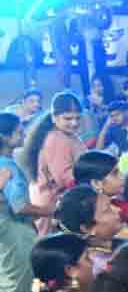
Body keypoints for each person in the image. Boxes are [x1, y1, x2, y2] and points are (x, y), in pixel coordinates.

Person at [25, 92, 86, 234]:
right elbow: (65, 178)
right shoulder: (57, 138)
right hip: (52, 205)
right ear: (54, 117)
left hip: (51, 201)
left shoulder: (65, 134)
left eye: (78, 118)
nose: (74, 123)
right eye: (68, 118)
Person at [0, 114, 37, 292]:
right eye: (18, 130)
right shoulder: (6, 167)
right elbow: (20, 206)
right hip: (14, 233)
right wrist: (53, 209)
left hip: (11, 232)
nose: (23, 133)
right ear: (4, 136)